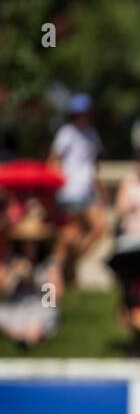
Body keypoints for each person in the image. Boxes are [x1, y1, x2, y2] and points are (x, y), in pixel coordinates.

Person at [48, 93, 106, 283]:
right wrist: (54, 187)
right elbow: (53, 161)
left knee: (99, 228)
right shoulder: (66, 133)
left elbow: (92, 166)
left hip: (87, 192)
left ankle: (70, 264)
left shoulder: (92, 134)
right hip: (69, 193)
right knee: (70, 235)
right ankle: (56, 274)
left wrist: (100, 190)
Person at [0, 203, 61, 347]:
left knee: (44, 315)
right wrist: (14, 274)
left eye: (33, 242)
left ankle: (29, 336)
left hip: (40, 306)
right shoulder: (11, 260)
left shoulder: (48, 262)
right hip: (17, 307)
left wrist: (36, 278)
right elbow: (3, 290)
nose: (30, 246)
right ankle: (26, 336)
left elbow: (53, 298)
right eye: (26, 242)